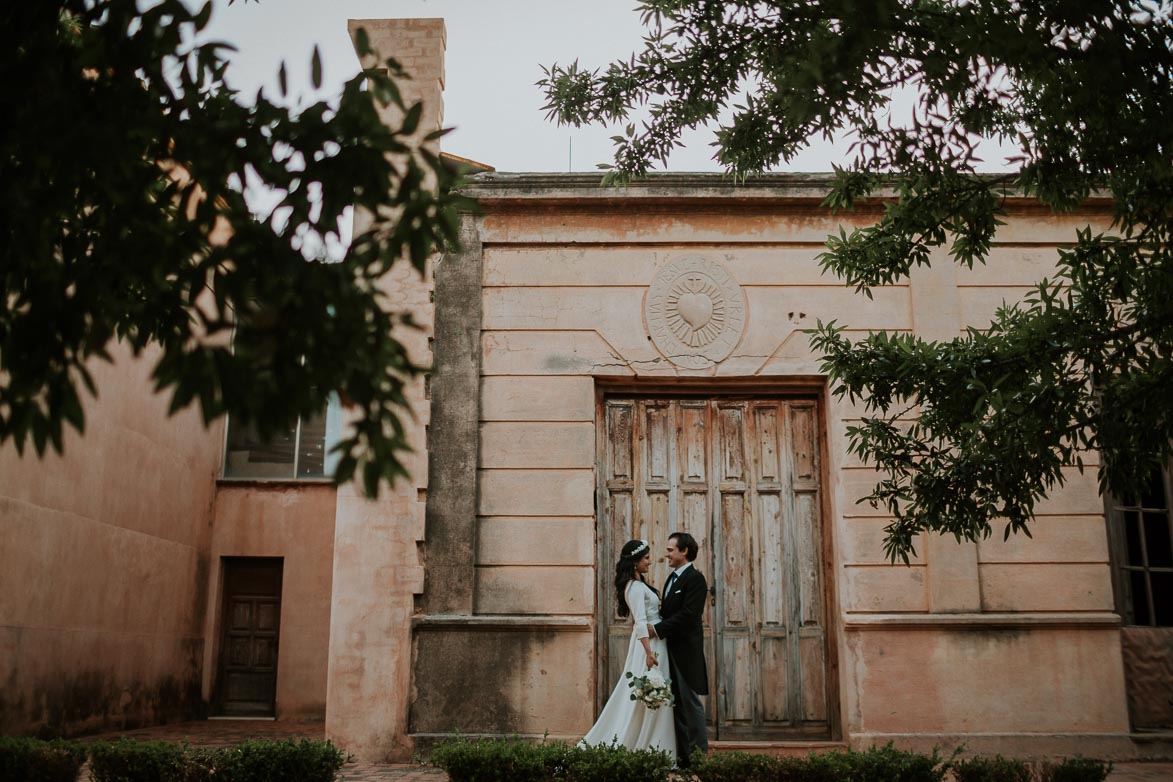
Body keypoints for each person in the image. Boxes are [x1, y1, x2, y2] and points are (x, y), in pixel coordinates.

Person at [579, 539, 677, 756]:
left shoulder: (641, 585)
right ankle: (647, 747)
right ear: (634, 563)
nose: (649, 563)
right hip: (649, 646)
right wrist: (649, 654)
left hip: (656, 641)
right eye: (646, 559)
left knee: (656, 693)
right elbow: (640, 622)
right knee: (647, 692)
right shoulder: (634, 588)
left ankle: (659, 747)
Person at [649, 531, 709, 768]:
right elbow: (668, 611)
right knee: (677, 704)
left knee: (690, 702)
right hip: (669, 649)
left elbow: (688, 615)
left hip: (686, 652)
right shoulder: (671, 578)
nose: (667, 554)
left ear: (684, 551)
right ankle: (684, 756)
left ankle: (698, 757)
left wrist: (658, 629)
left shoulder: (695, 580)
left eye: (670, 550)